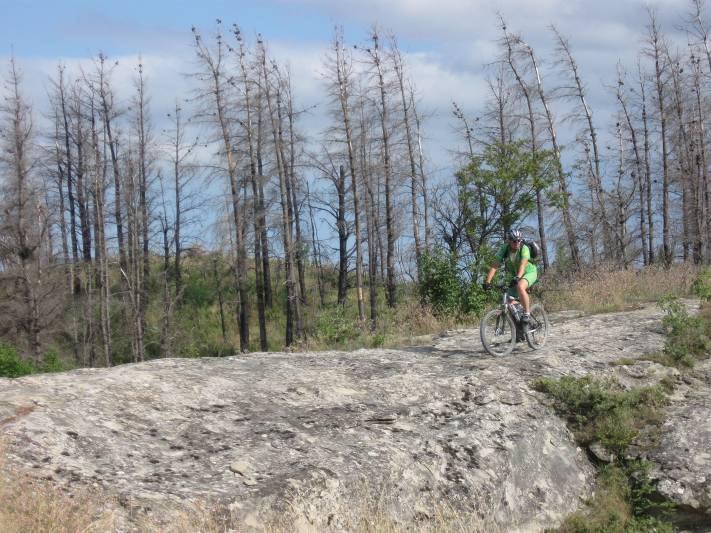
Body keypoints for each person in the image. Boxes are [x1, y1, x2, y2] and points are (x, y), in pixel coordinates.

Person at [482, 229, 537, 322]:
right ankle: (519, 330)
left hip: (529, 273)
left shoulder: (524, 248)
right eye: (514, 241)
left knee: (520, 286)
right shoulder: (504, 249)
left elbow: (523, 265)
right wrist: (488, 281)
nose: (517, 243)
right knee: (509, 302)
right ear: (509, 240)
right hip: (516, 276)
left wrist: (518, 277)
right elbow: (495, 265)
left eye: (519, 240)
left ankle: (527, 313)